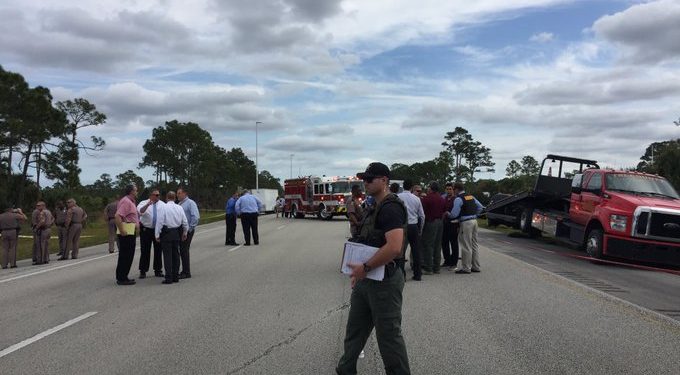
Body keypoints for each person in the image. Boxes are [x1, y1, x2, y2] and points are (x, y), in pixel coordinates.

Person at [336, 162, 411, 375]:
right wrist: (358, 272)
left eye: (370, 179)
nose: (365, 183)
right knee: (355, 330)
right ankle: (346, 368)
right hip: (367, 279)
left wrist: (365, 267)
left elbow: (395, 247)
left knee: (388, 335)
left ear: (384, 180)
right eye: (364, 179)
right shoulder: (373, 206)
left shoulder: (391, 207)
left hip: (385, 280)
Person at [447, 182, 484, 274]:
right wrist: (475, 215)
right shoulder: (471, 196)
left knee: (466, 245)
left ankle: (466, 268)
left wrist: (449, 214)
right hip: (474, 221)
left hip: (466, 223)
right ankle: (475, 266)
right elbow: (480, 207)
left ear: (456, 189)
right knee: (474, 244)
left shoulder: (458, 199)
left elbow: (454, 214)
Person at [155, 191, 188, 285]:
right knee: (176, 255)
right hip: (176, 232)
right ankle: (175, 276)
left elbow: (160, 222)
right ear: (175, 198)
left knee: (167, 256)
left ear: (166, 198)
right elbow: (184, 221)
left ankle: (169, 277)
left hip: (166, 233)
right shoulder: (179, 207)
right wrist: (185, 232)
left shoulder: (163, 208)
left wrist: (157, 234)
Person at [397, 180, 425, 281]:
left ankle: (401, 275)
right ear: (411, 187)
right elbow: (422, 215)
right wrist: (420, 228)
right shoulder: (416, 199)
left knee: (401, 251)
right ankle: (418, 274)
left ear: (403, 186)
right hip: (413, 226)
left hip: (402, 226)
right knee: (416, 251)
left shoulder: (398, 197)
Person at [115, 185, 139, 285]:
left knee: (128, 255)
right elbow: (118, 216)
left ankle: (124, 276)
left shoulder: (131, 202)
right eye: (136, 190)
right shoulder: (126, 201)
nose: (137, 192)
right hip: (126, 232)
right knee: (126, 255)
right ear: (131, 191)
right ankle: (122, 278)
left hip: (130, 231)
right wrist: (122, 229)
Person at [137, 189, 165, 279]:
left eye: (158, 195)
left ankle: (158, 270)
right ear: (151, 195)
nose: (157, 197)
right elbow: (140, 212)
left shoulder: (162, 204)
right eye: (155, 195)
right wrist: (148, 204)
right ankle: (143, 271)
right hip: (146, 230)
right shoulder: (143, 203)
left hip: (157, 230)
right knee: (145, 250)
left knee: (158, 250)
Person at [420, 181, 445, 275]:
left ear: (431, 188)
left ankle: (428, 268)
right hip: (440, 222)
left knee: (428, 245)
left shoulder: (427, 198)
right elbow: (444, 210)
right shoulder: (442, 198)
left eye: (428, 187)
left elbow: (422, 211)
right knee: (437, 245)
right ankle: (437, 267)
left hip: (431, 222)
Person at [177, 187, 199, 279]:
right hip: (180, 229)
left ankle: (186, 272)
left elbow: (196, 217)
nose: (177, 195)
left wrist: (189, 230)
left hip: (187, 230)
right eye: (177, 193)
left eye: (179, 193)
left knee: (184, 250)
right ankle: (184, 270)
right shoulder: (179, 204)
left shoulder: (190, 203)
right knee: (182, 250)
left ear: (185, 193)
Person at [441, 182, 459, 268]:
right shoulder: (444, 198)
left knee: (454, 243)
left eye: (450, 189)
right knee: (444, 243)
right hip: (444, 223)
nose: (448, 191)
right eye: (447, 189)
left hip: (453, 223)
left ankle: (454, 262)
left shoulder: (456, 199)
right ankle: (447, 260)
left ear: (453, 190)